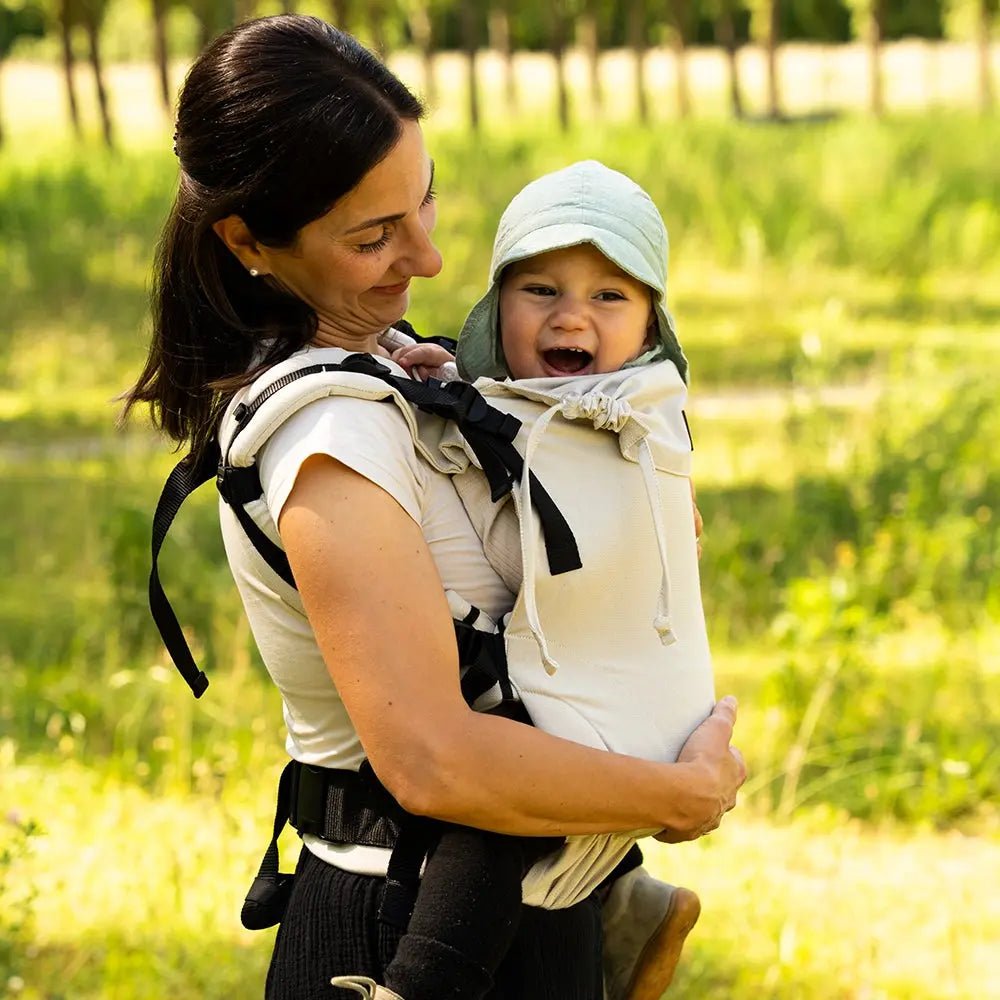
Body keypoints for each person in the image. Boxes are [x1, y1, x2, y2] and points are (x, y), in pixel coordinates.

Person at [124, 14, 745, 1000]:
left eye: (424, 204)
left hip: (537, 917)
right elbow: (431, 759)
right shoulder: (327, 434)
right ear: (247, 240)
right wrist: (678, 794)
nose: (430, 258)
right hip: (400, 927)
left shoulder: (404, 370)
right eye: (375, 236)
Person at [344, 161, 714, 1000]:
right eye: (540, 289)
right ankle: (623, 895)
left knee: (494, 805)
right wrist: (435, 380)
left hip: (612, 719)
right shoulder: (608, 407)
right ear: (497, 308)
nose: (571, 316)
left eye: (610, 297)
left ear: (652, 322)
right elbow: (504, 430)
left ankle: (421, 985)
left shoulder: (613, 415)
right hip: (627, 701)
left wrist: (436, 414)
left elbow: (517, 552)